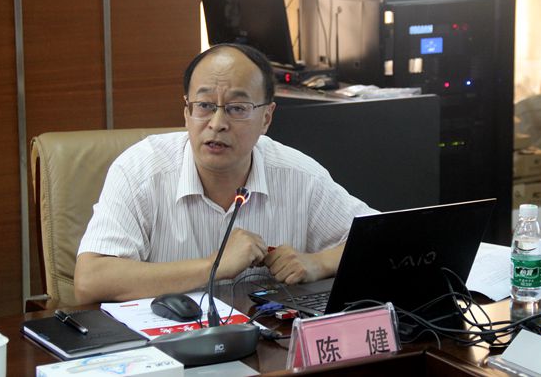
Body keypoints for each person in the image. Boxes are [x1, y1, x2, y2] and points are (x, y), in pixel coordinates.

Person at [74, 44, 377, 304]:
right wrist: (214, 265)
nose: (217, 123)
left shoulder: (299, 175)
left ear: (266, 118)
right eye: (204, 106)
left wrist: (317, 263)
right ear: (186, 112)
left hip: (266, 342)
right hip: (167, 346)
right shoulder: (140, 171)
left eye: (237, 108)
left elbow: (383, 240)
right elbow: (90, 280)